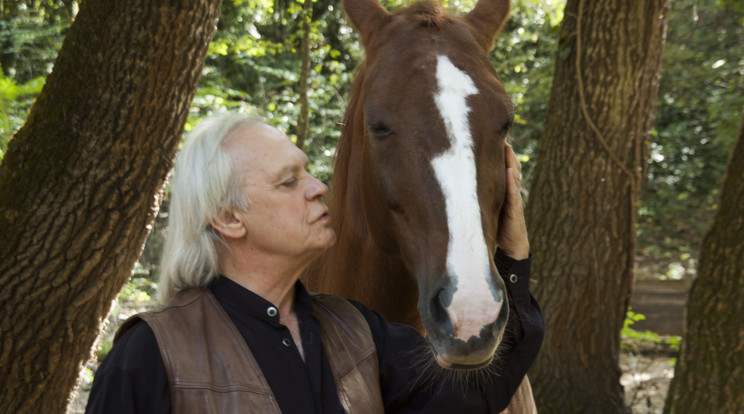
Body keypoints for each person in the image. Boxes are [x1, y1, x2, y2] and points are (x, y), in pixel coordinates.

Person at [85, 113, 544, 413]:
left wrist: (513, 256)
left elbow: (477, 394)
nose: (318, 186)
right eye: (289, 182)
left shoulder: (358, 333)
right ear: (228, 218)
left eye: (307, 170)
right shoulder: (150, 356)